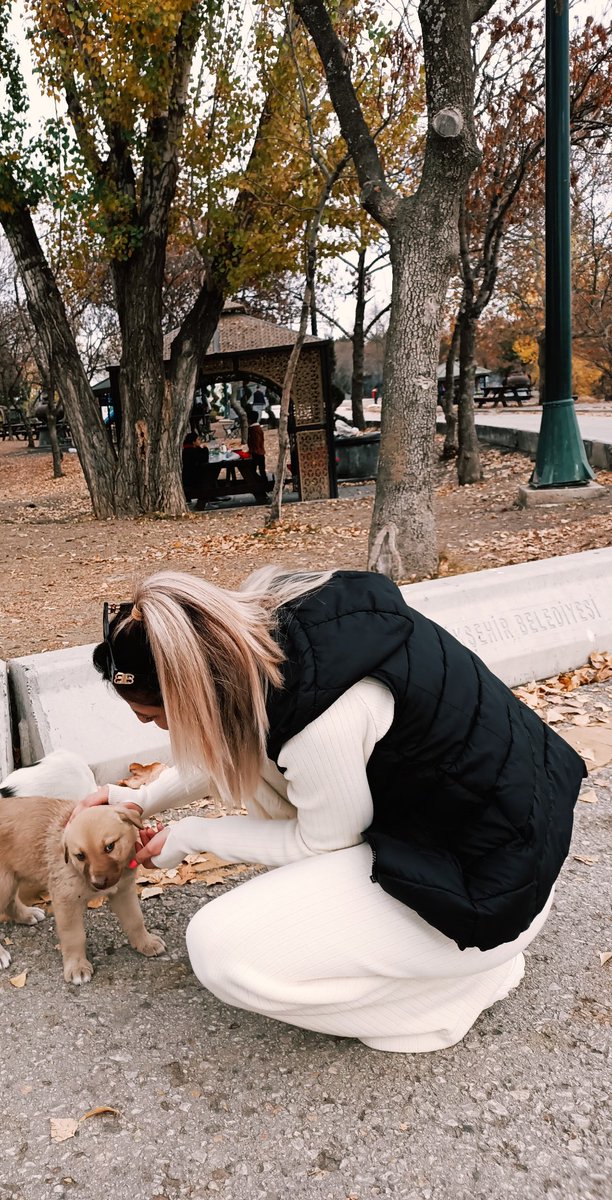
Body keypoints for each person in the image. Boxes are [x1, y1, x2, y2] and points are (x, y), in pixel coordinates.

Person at [80, 568, 586, 1053]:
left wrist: (192, 835)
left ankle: (453, 992)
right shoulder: (284, 631)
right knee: (264, 777)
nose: (152, 730)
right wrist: (137, 800)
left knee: (220, 951)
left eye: (153, 716)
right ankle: (434, 966)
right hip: (496, 840)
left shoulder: (323, 722)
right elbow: (233, 736)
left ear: (192, 696)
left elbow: (319, 843)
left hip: (489, 894)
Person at [180, 432, 212, 510]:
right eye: (198, 439)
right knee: (209, 478)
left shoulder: (189, 449)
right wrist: (205, 449)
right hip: (192, 479)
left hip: (191, 476)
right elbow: (204, 460)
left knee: (209, 476)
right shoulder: (190, 451)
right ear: (193, 442)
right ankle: (203, 501)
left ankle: (210, 498)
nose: (199, 441)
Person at [246, 411, 267, 488]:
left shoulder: (253, 429)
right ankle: (263, 484)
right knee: (261, 471)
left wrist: (253, 450)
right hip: (259, 452)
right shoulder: (257, 428)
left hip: (256, 453)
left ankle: (261, 484)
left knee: (252, 471)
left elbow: (256, 441)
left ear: (250, 419)